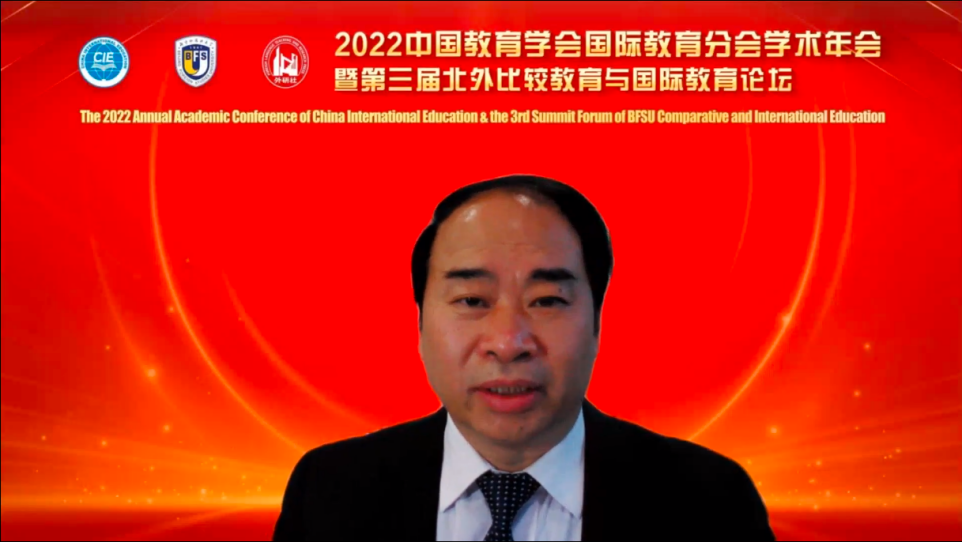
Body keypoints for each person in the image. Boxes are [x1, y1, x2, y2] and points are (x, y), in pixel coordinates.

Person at [273, 174, 775, 541]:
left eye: (547, 301)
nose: (509, 341)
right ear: (420, 323)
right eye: (472, 300)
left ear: (598, 320)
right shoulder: (331, 492)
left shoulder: (710, 502)